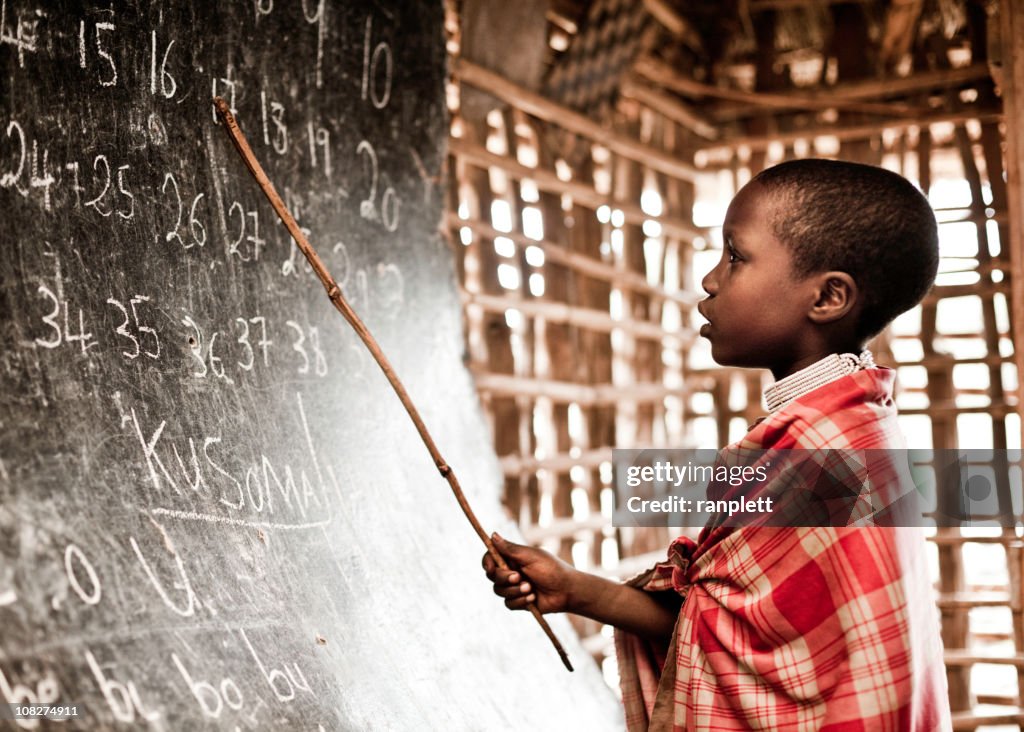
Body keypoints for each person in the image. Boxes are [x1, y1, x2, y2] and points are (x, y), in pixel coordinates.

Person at [482, 159, 952, 730]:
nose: (711, 280)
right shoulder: (839, 429)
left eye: (736, 257)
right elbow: (721, 623)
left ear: (828, 297)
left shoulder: (828, 450)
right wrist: (574, 588)